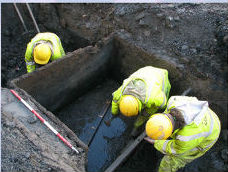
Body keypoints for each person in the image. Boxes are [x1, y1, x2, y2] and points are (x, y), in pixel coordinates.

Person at [144, 96, 221, 172]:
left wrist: (156, 142)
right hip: (205, 114)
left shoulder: (187, 136)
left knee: (171, 161)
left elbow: (175, 149)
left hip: (212, 130)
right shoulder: (172, 101)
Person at [110, 66, 171, 136]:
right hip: (145, 70)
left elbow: (163, 105)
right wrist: (114, 113)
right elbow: (115, 102)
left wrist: (138, 123)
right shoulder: (119, 94)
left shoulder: (153, 99)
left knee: (155, 108)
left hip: (161, 75)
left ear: (138, 108)